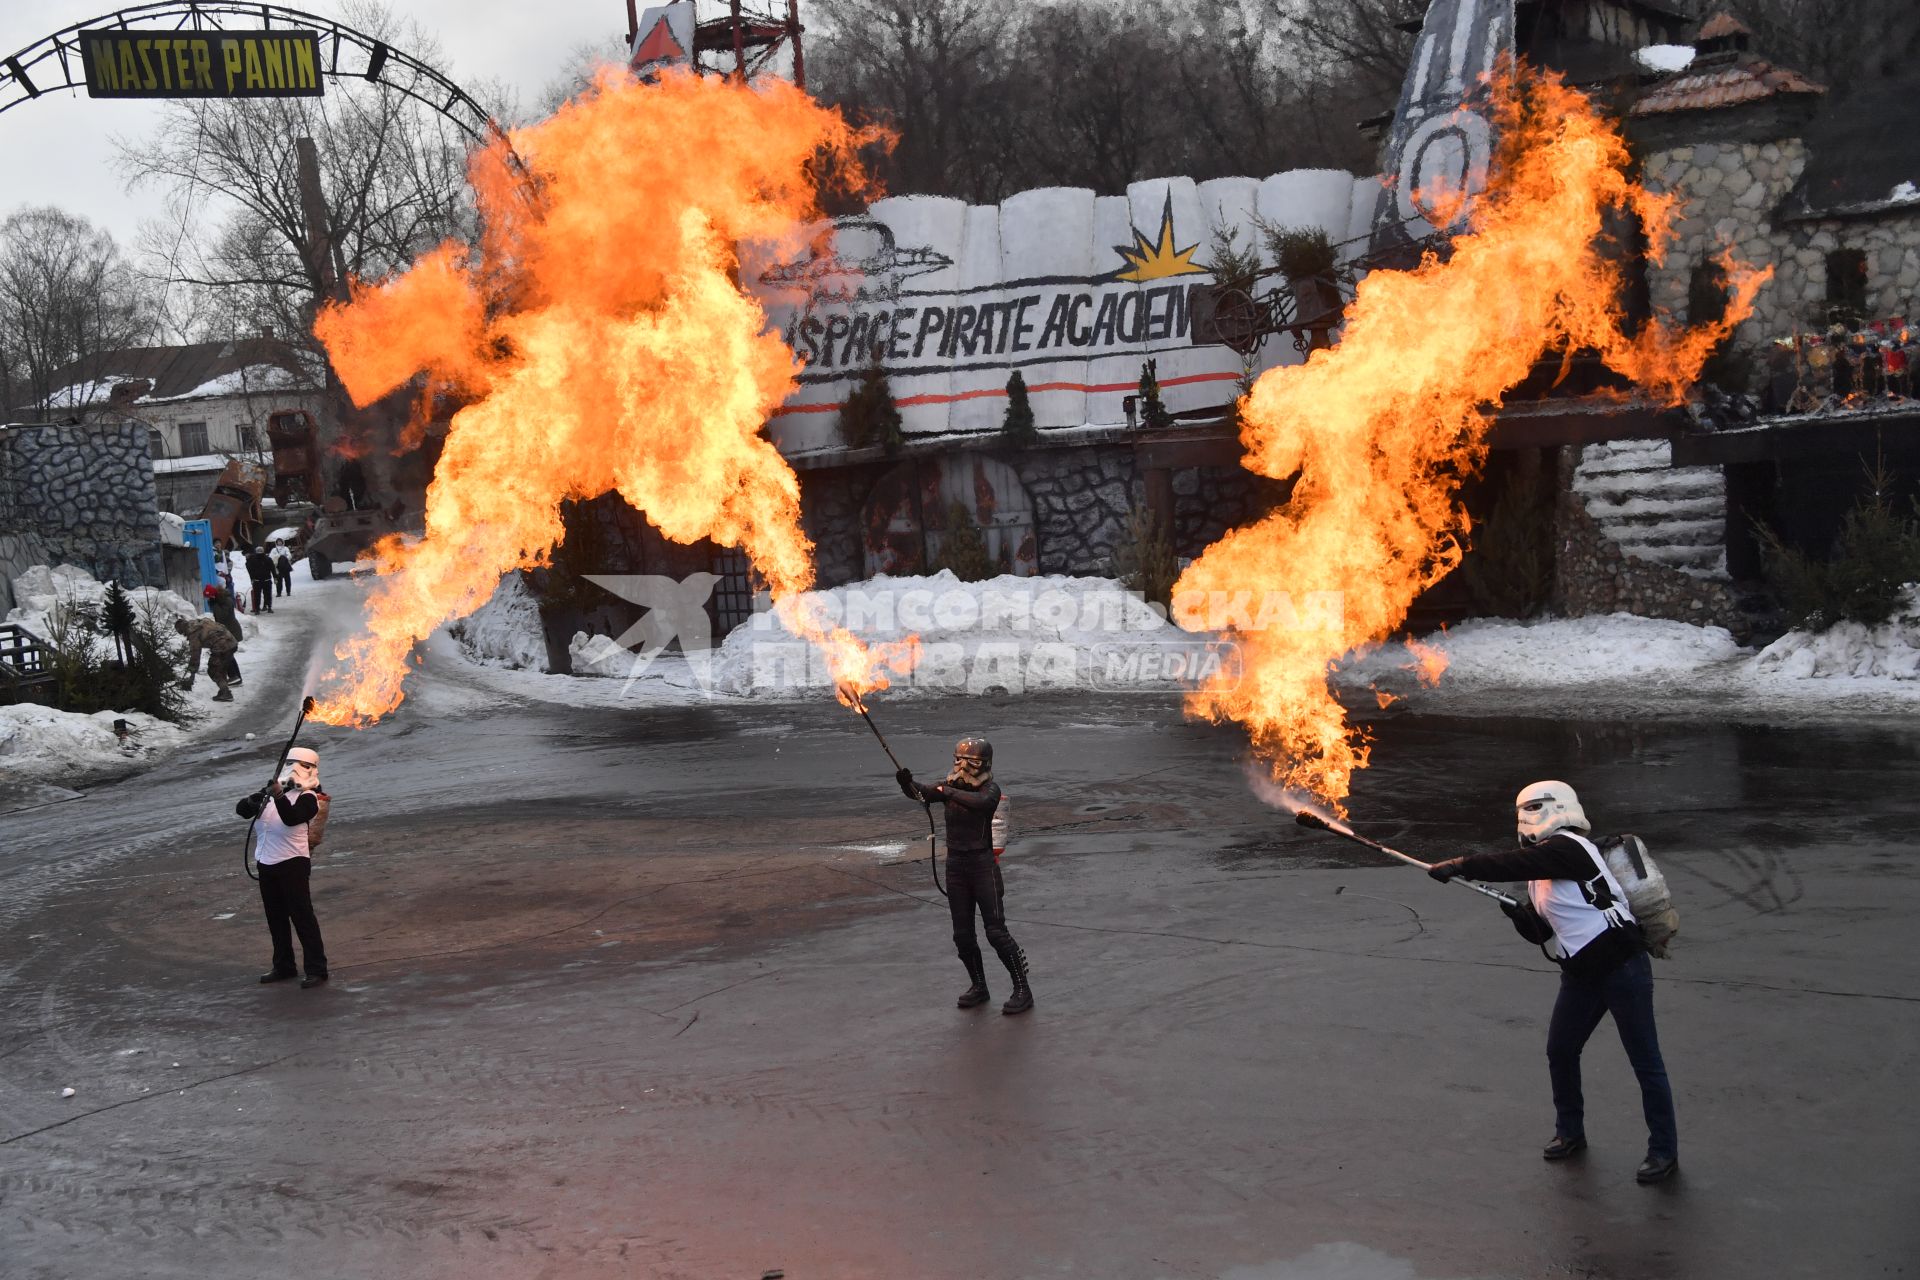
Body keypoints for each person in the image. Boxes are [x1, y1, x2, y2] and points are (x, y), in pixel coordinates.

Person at [1428, 781, 1678, 1185]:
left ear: (1553, 809)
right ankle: (1570, 1132)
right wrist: (1513, 911)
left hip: (1621, 966)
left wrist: (1461, 864)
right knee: (1560, 1050)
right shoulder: (1541, 869)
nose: (1524, 820)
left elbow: (1509, 863)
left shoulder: (1570, 848)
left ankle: (1663, 1151)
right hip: (1581, 973)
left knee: (1645, 1061)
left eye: (1530, 810)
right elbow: (1540, 932)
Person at [897, 736, 1033, 1015]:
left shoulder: (990, 790)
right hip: (956, 866)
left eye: (968, 761)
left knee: (996, 932)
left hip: (982, 866)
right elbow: (922, 793)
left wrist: (946, 792)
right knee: (962, 935)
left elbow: (981, 804)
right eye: (957, 760)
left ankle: (1022, 989)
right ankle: (979, 986)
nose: (961, 766)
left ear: (983, 764)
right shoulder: (948, 787)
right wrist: (906, 783)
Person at [237, 746, 330, 988]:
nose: (292, 769)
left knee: (302, 917)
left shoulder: (309, 799)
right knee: (275, 918)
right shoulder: (270, 793)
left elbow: (291, 818)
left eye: (298, 764)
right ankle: (284, 965)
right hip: (266, 863)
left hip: (293, 864)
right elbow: (241, 811)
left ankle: (317, 969)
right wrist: (252, 801)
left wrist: (278, 796)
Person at [173, 616, 238, 702]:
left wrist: (192, 673)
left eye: (182, 633)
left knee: (214, 670)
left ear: (182, 629)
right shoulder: (200, 623)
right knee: (221, 667)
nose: (184, 635)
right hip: (232, 642)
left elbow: (195, 655)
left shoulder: (193, 633)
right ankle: (224, 690)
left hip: (222, 646)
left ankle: (225, 692)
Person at [201, 583, 244, 687]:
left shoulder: (225, 601)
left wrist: (214, 604)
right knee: (228, 654)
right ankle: (236, 677)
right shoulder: (220, 601)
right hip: (227, 631)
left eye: (209, 597)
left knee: (226, 654)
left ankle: (234, 676)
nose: (209, 599)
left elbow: (221, 617)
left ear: (214, 595)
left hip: (232, 631)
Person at [245, 544, 275, 614]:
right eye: (258, 551)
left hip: (262, 580)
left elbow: (272, 568)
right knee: (261, 595)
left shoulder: (267, 559)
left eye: (260, 551)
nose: (259, 552)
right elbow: (249, 569)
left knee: (265, 595)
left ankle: (265, 607)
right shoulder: (254, 559)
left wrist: (275, 577)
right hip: (259, 580)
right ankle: (261, 608)